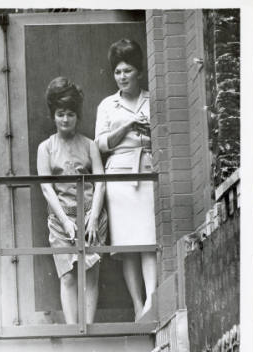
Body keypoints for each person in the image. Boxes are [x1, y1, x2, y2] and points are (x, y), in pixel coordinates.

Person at [95, 39, 156, 321]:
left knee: (148, 238)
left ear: (138, 72)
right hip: (119, 175)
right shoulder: (108, 105)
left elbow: (162, 135)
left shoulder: (151, 99)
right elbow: (101, 144)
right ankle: (137, 303)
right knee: (128, 246)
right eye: (118, 71)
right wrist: (129, 125)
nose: (122, 77)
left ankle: (152, 300)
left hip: (145, 168)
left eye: (128, 71)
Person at [37, 77, 107, 324]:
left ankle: (87, 328)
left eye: (70, 114)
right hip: (60, 219)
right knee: (67, 276)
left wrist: (94, 217)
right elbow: (46, 188)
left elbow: (100, 182)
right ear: (53, 115)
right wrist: (65, 222)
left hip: (90, 216)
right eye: (60, 114)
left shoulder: (90, 146)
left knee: (91, 274)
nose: (65, 119)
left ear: (77, 115)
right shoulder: (45, 148)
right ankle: (71, 330)